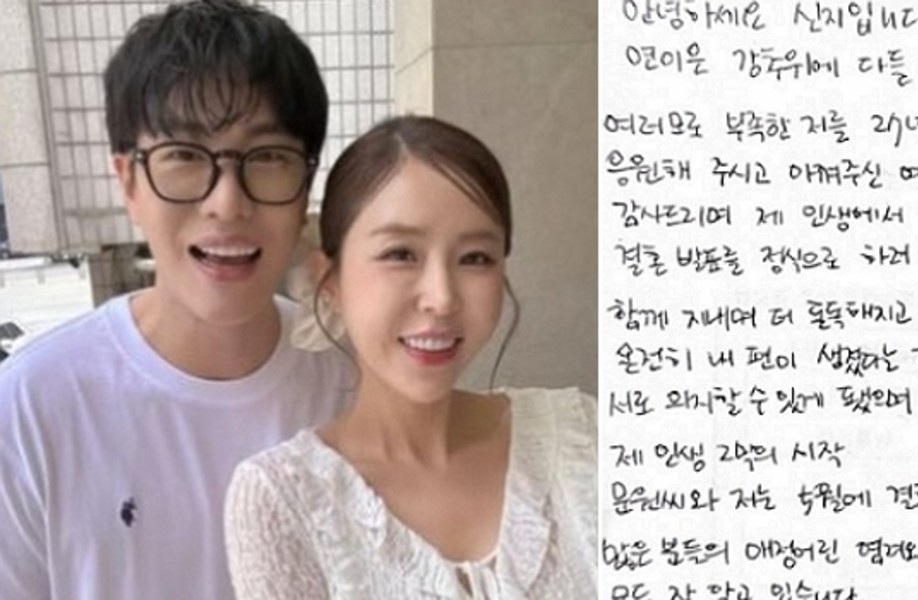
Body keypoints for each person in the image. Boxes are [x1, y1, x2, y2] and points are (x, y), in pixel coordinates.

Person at [0, 1, 353, 598]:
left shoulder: (352, 382)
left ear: (306, 186)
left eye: (267, 157)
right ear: (129, 182)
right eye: (185, 156)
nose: (227, 203)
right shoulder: (29, 407)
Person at [223, 115, 597, 599]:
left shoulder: (581, 438)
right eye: (400, 254)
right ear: (329, 281)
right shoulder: (283, 501)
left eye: (476, 258)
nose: (442, 298)